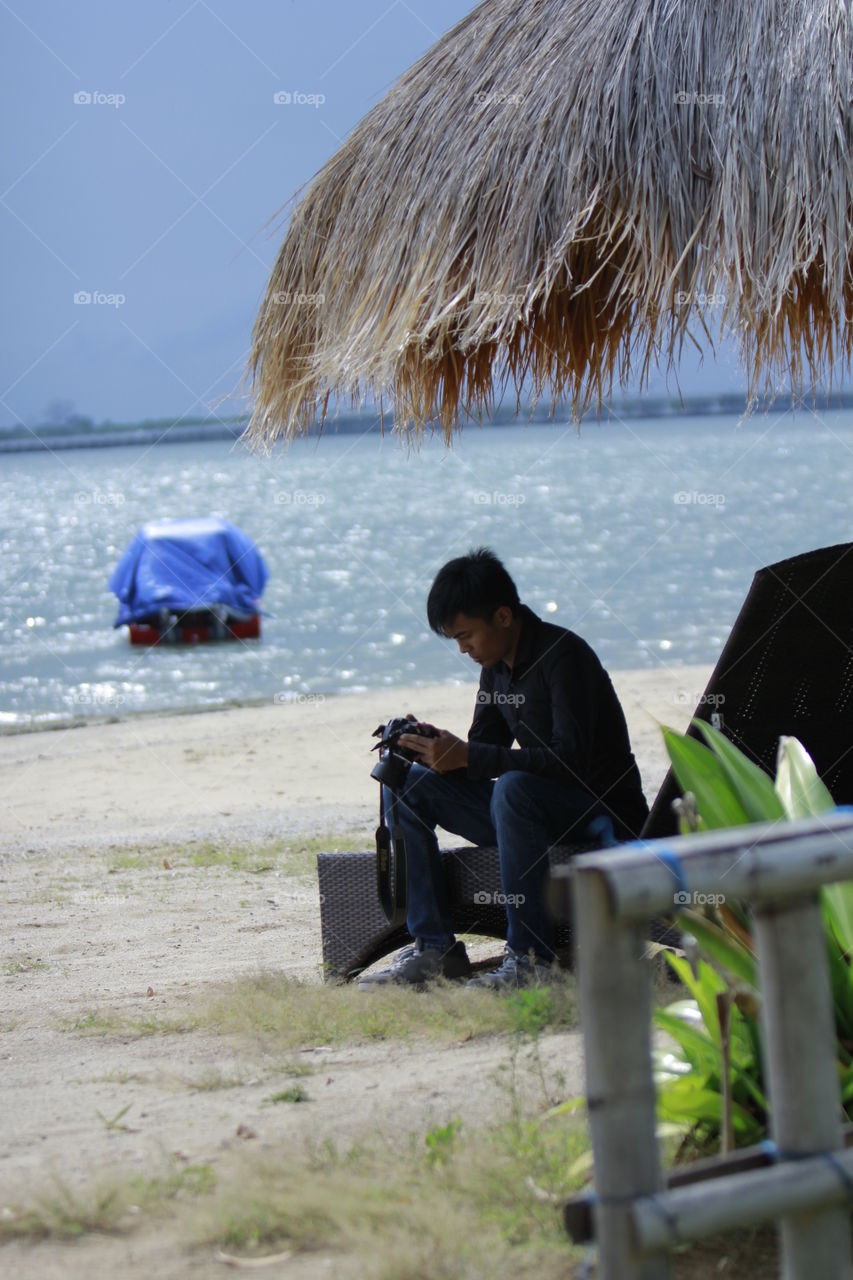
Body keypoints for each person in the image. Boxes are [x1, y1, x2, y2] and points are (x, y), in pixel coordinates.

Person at [358, 547, 649, 991]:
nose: (463, 649)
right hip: (532, 814)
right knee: (406, 785)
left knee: (512, 788)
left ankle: (531, 959)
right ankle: (435, 949)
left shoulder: (565, 656)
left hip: (600, 812)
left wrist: (470, 756)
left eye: (466, 635)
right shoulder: (494, 669)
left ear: (503, 616)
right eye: (455, 639)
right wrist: (432, 748)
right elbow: (484, 751)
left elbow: (569, 764)